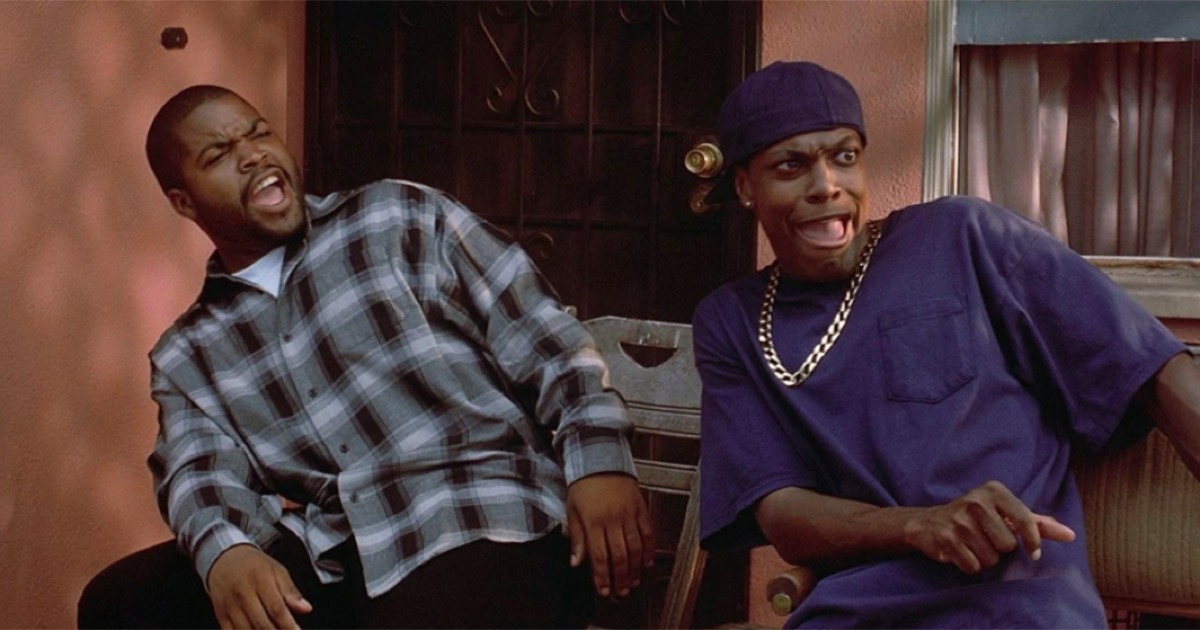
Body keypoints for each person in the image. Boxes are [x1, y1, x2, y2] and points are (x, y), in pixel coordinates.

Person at [77, 84, 654, 629]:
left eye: (259, 133)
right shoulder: (190, 353)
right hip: (340, 546)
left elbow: (547, 339)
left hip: (482, 515)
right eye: (220, 154)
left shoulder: (398, 218)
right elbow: (198, 472)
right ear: (184, 202)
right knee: (122, 604)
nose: (253, 155)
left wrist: (599, 459)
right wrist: (226, 553)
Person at [693, 61, 1200, 628]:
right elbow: (782, 513)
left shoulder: (961, 235)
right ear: (746, 187)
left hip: (1017, 603)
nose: (827, 185)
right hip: (855, 611)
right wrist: (922, 525)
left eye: (845, 156)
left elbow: (1148, 363)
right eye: (791, 166)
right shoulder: (733, 323)